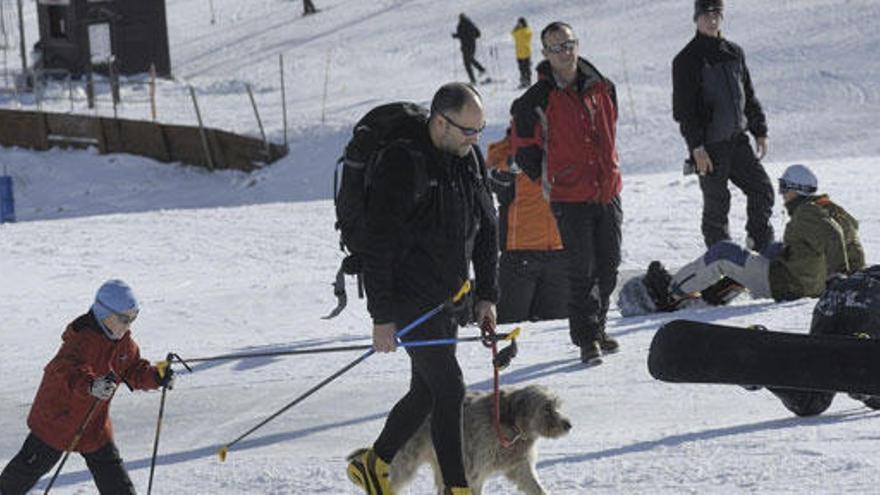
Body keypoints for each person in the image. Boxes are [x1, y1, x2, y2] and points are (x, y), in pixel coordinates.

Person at [346, 83, 499, 495]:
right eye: (468, 130)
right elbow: (378, 247)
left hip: (448, 295)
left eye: (479, 130)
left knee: (426, 391)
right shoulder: (403, 164)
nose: (475, 139)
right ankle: (457, 487)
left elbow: (487, 227)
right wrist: (382, 318)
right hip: (406, 296)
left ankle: (373, 462)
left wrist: (486, 295)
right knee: (450, 388)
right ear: (439, 122)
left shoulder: (468, 159)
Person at [510, 21, 623, 364]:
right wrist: (553, 177)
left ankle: (599, 328)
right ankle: (586, 338)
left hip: (607, 190)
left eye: (569, 44)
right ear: (544, 53)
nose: (565, 51)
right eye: (557, 47)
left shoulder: (602, 86)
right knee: (582, 268)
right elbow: (523, 150)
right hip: (569, 196)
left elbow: (610, 129)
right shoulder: (534, 101)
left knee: (609, 264)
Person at [0, 280, 175, 495]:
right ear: (105, 313)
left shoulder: (124, 343)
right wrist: (91, 385)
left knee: (116, 483)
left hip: (93, 426)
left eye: (134, 317)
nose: (129, 324)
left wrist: (157, 376)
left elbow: (133, 370)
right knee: (20, 477)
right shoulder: (80, 340)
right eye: (124, 318)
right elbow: (63, 371)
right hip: (57, 422)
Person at [662, 164, 865, 308]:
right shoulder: (833, 211)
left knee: (724, 252)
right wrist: (855, 279)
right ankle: (718, 293)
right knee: (771, 249)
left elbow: (832, 235)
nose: (782, 194)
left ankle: (671, 293)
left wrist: (836, 278)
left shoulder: (807, 213)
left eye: (784, 187)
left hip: (788, 285)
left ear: (797, 190)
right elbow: (852, 243)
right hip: (809, 282)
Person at [672, 0, 775, 252]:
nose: (712, 19)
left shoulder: (734, 52)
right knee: (717, 205)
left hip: (737, 141)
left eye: (717, 13)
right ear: (696, 18)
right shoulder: (687, 59)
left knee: (762, 190)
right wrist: (696, 147)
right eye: (706, 14)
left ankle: (760, 243)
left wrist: (759, 130)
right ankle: (721, 258)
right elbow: (684, 111)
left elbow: (747, 95)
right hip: (709, 146)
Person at [770, 265, 880, 417]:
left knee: (811, 400)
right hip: (870, 299)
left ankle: (761, 356)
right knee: (869, 376)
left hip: (834, 295)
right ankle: (860, 357)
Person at [486, 129, 568, 324]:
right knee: (511, 324)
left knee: (555, 327)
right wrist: (512, 162)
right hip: (520, 255)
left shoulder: (566, 142)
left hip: (560, 252)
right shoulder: (510, 147)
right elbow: (493, 169)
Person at [452, 13, 486, 85]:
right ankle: (481, 70)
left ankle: (473, 80)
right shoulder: (471, 24)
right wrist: (472, 37)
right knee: (470, 59)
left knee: (467, 63)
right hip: (473, 45)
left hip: (465, 46)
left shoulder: (460, 26)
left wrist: (455, 36)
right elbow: (478, 34)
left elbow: (462, 35)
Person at [511, 17, 533, 89]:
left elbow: (527, 34)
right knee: (521, 69)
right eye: (518, 23)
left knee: (526, 68)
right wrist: (516, 28)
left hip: (526, 52)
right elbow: (513, 34)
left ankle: (528, 81)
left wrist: (517, 29)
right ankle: (523, 81)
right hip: (519, 53)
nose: (519, 24)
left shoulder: (526, 31)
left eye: (520, 23)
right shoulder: (518, 32)